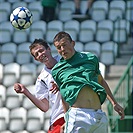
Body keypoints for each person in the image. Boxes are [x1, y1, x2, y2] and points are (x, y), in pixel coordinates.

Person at [51, 31, 125, 133]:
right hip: (77, 116)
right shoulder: (57, 70)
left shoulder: (90, 58)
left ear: (73, 43)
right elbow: (63, 94)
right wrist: (65, 117)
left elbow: (101, 82)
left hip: (98, 115)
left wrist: (114, 103)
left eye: (64, 45)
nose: (62, 49)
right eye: (59, 47)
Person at [14, 39, 66, 133]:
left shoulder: (65, 61)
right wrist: (25, 91)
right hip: (59, 118)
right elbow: (44, 107)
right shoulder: (42, 79)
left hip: (77, 111)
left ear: (49, 49)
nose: (40, 54)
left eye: (41, 50)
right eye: (37, 54)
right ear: (36, 59)